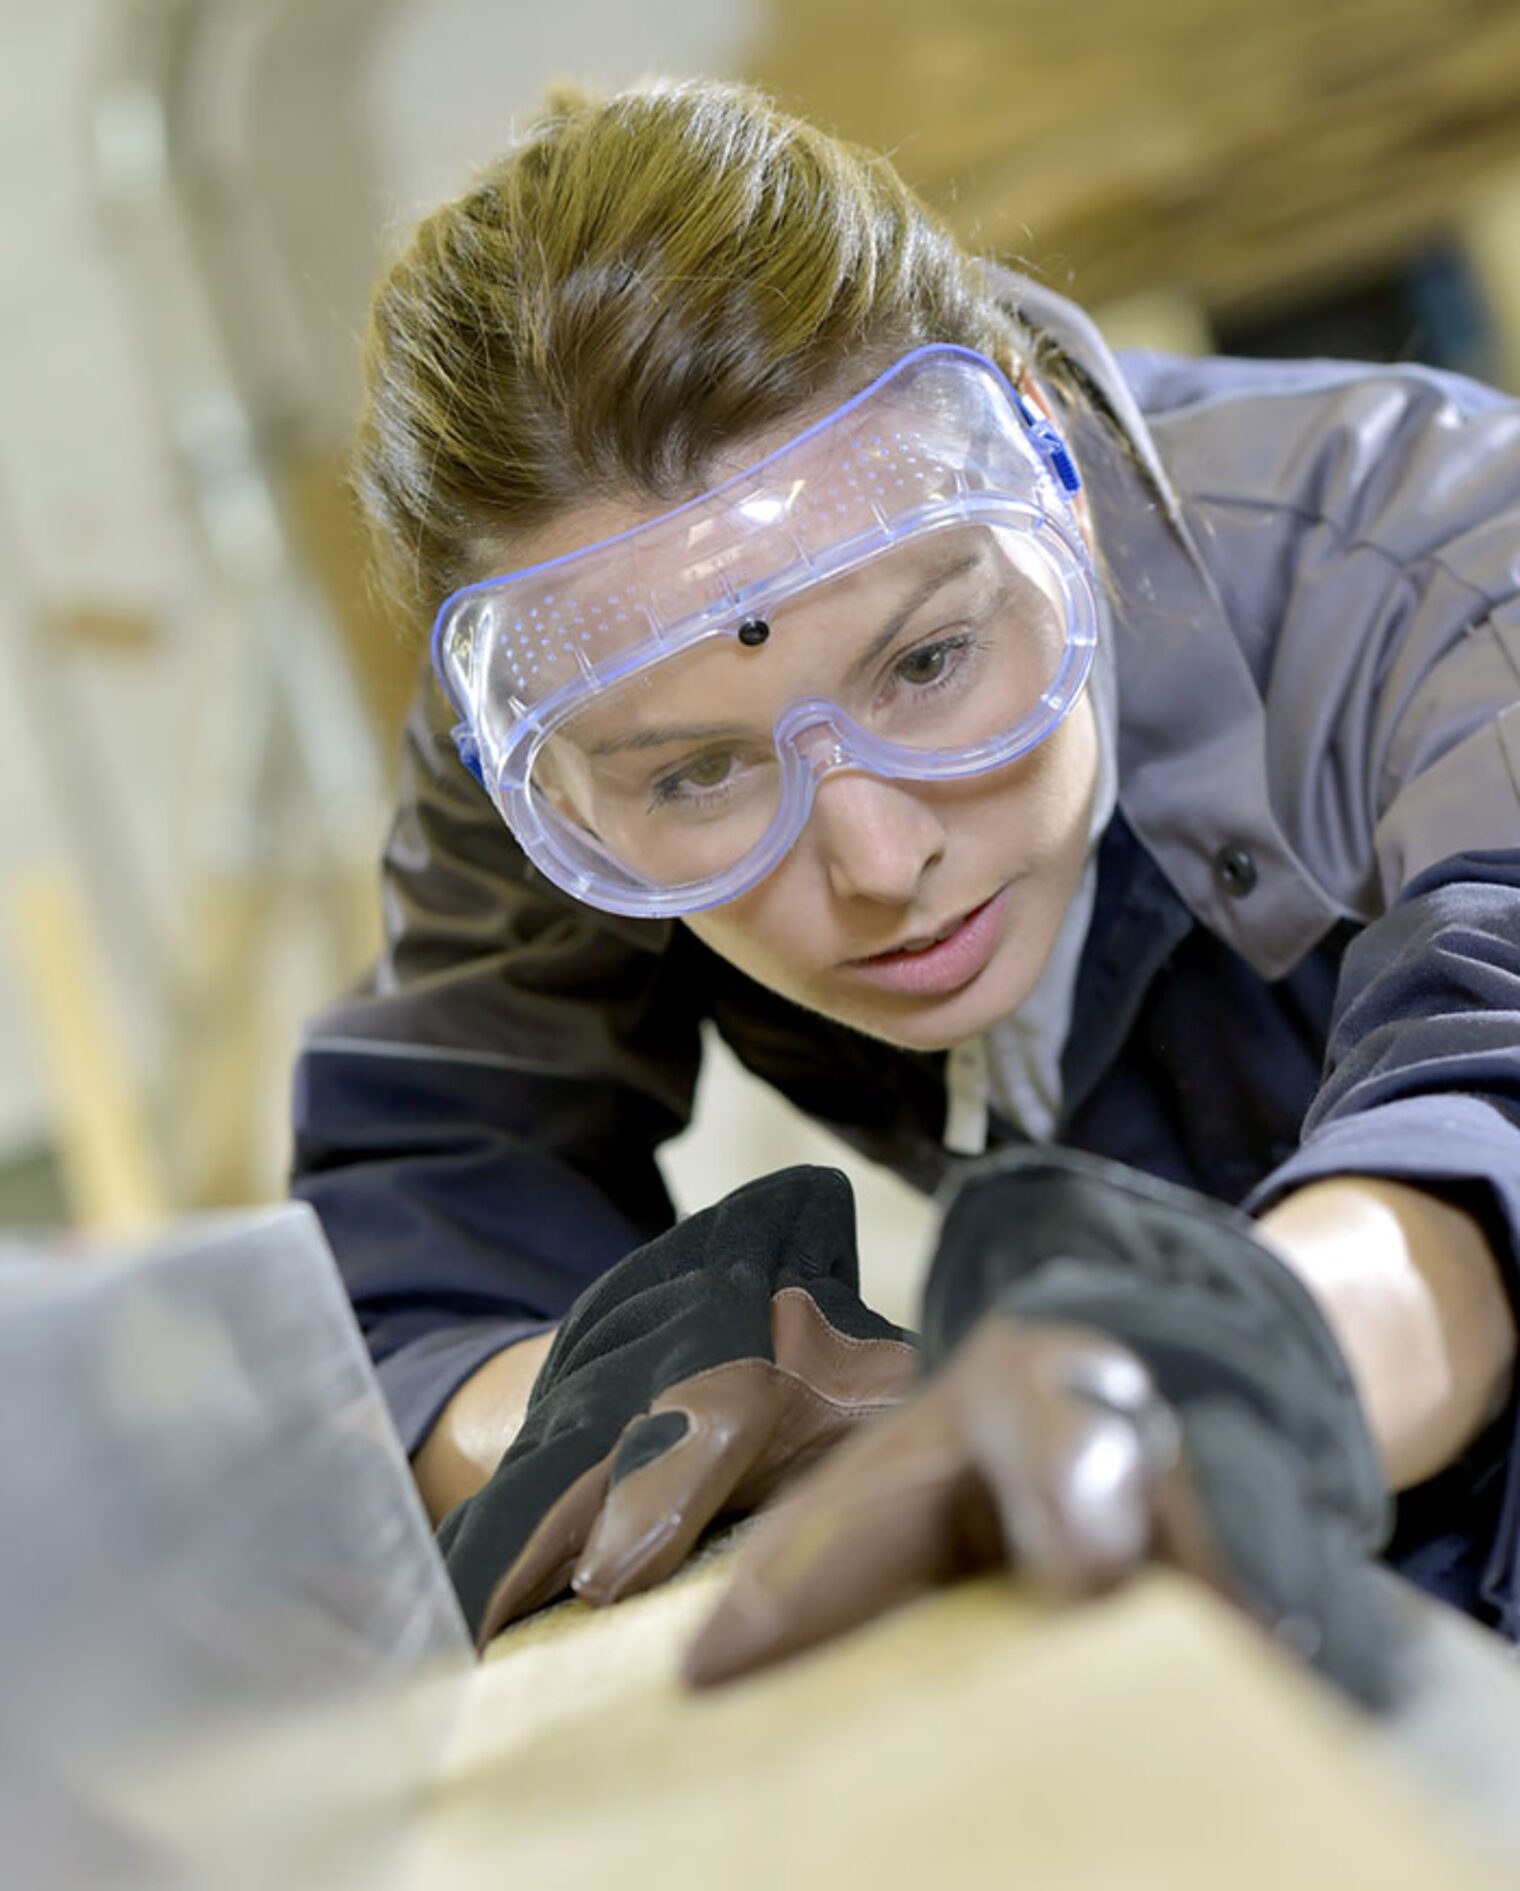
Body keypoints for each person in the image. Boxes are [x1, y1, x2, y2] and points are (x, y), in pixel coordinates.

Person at [291, 78, 1520, 1702]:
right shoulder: (591, 707)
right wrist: (567, 1401)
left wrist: (1242, 1357)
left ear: (1041, 456)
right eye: (703, 779)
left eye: (932, 661)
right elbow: (419, 1222)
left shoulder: (1439, 568)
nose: (878, 865)